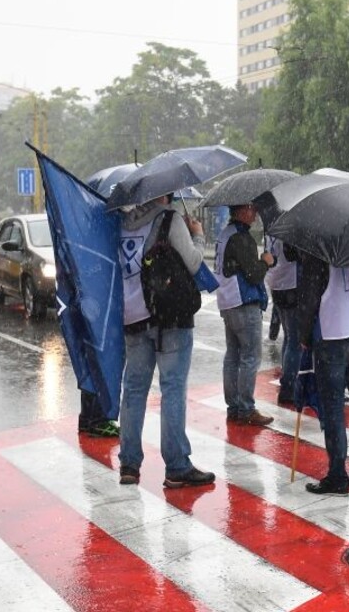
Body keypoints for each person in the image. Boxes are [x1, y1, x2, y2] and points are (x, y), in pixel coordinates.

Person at [117, 195, 214, 488]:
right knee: (172, 389)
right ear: (165, 194)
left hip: (133, 315)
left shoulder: (124, 222)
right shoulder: (169, 219)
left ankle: (129, 465)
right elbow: (194, 263)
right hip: (169, 316)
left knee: (134, 390)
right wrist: (196, 235)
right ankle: (176, 465)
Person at [297, 253, 349, 495]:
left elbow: (310, 292)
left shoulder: (325, 241)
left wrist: (304, 335)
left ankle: (337, 475)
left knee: (332, 405)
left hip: (333, 328)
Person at [215, 204, 274, 426]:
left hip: (227, 301)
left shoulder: (225, 233)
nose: (255, 212)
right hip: (243, 301)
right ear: (240, 211)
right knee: (250, 356)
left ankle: (234, 406)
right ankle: (246, 408)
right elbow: (254, 274)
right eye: (251, 209)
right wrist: (265, 262)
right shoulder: (241, 237)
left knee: (233, 356)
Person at [265, 235, 300, 404]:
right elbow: (294, 255)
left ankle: (287, 379)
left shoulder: (272, 229)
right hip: (290, 285)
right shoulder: (289, 232)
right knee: (294, 340)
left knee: (288, 336)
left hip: (276, 284)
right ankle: (289, 387)